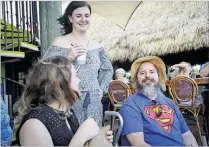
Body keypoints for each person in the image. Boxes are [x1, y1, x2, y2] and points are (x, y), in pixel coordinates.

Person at [42, 1, 113, 127]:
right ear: (70, 18)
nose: (83, 19)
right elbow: (44, 70)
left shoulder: (98, 46)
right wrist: (68, 57)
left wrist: (101, 89)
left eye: (87, 15)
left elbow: (107, 70)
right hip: (66, 99)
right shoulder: (59, 42)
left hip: (93, 103)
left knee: (93, 138)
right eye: (78, 16)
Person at [16, 56, 113, 146]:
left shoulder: (68, 114)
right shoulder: (34, 124)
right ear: (60, 83)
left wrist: (94, 139)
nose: (79, 80)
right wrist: (81, 136)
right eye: (75, 76)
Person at [119, 56, 198, 146]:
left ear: (158, 76)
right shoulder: (130, 105)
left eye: (152, 72)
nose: (147, 75)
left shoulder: (170, 102)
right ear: (137, 79)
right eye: (142, 73)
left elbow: (186, 135)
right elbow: (138, 144)